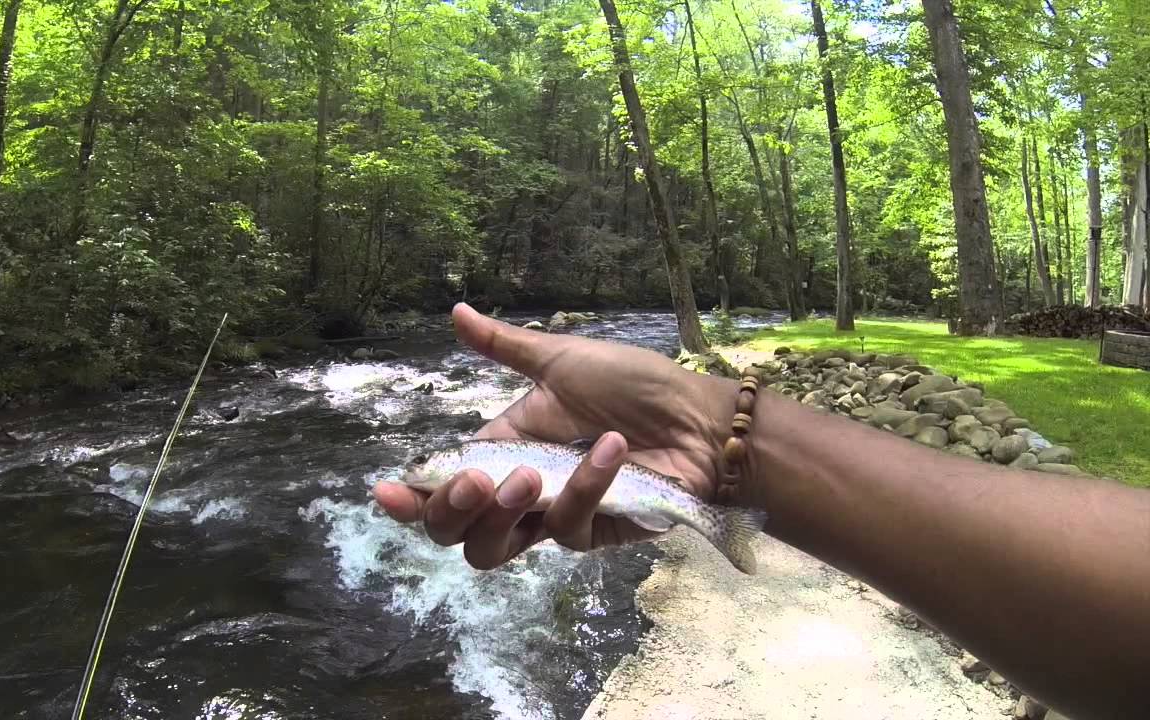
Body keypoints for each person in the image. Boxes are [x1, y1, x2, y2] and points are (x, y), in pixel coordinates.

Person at [373, 303, 1150, 720]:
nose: (420, 475)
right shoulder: (481, 461)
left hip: (636, 479)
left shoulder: (472, 459)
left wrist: (718, 435)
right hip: (638, 477)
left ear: (448, 461)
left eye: (423, 466)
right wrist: (715, 429)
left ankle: (716, 518)